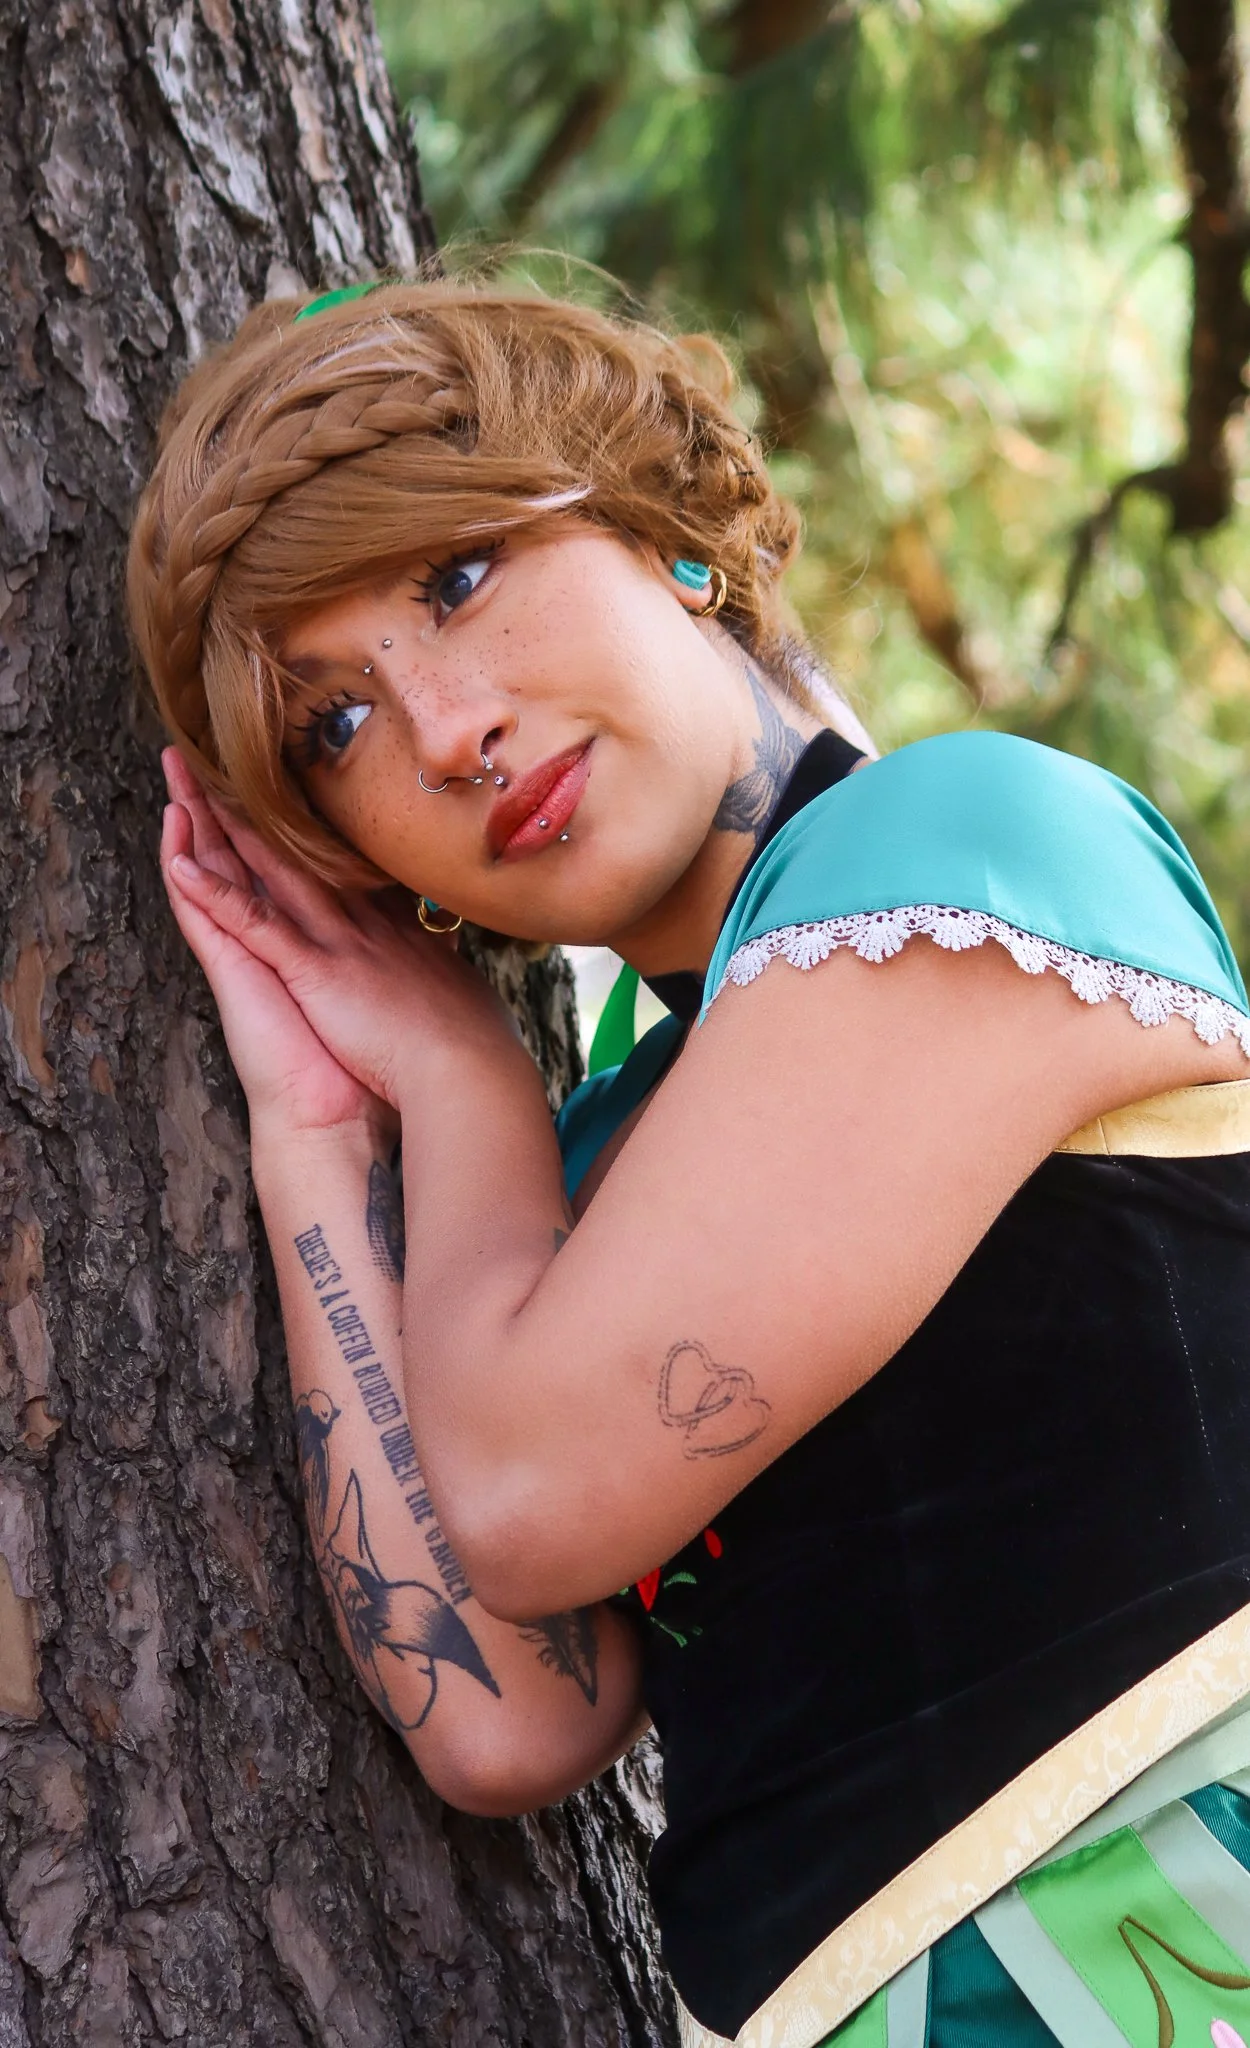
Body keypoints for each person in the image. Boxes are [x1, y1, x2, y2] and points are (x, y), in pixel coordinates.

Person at [127, 278, 1250, 2048]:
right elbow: (507, 1710)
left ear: (659, 533)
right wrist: (327, 1135)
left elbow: (520, 1505)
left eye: (456, 576)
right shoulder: (597, 1175)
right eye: (336, 726)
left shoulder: (953, 843)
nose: (444, 729)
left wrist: (465, 1090)